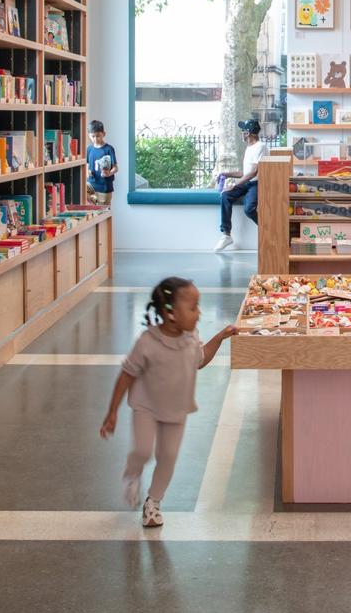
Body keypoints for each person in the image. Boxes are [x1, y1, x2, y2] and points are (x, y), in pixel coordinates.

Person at [99, 277, 234, 527]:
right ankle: (132, 474)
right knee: (142, 450)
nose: (198, 313)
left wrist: (221, 336)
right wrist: (112, 412)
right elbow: (127, 374)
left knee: (168, 456)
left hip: (176, 408)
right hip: (146, 406)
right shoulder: (147, 342)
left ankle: (154, 501)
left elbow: (201, 359)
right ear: (170, 313)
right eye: (193, 307)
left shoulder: (190, 339)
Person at [214, 119, 265, 252]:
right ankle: (226, 234)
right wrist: (227, 174)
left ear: (248, 133)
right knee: (225, 195)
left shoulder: (261, 146)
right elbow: (245, 172)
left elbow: (254, 172)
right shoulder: (249, 148)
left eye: (243, 131)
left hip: (256, 183)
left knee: (249, 209)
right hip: (247, 182)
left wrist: (234, 184)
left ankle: (267, 230)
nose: (241, 133)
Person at [85, 121, 117, 206]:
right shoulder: (89, 149)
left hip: (104, 187)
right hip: (90, 186)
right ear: (89, 135)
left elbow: (115, 168)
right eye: (93, 136)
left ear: (104, 134)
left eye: (98, 136)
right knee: (92, 213)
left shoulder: (109, 149)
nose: (95, 139)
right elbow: (87, 165)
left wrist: (109, 173)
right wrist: (87, 173)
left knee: (104, 212)